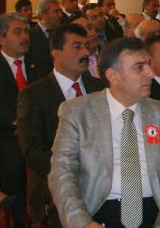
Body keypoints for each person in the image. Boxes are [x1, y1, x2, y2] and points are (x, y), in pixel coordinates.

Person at [48, 37, 160, 228]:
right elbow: (62, 173)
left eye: (149, 64)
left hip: (156, 211)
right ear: (113, 76)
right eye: (139, 67)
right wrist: (83, 223)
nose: (150, 73)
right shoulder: (77, 112)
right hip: (97, 210)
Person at [17, 24, 105, 227]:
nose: (85, 52)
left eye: (86, 46)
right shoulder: (34, 95)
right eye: (77, 47)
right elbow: (33, 152)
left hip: (102, 174)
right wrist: (75, 172)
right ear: (56, 53)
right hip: (56, 176)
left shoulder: (99, 88)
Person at [0, 13, 49, 227]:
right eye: (17, 32)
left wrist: (30, 125)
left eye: (26, 31)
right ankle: (20, 217)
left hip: (37, 131)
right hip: (4, 133)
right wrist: (16, 122)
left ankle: (46, 212)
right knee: (14, 162)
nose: (25, 36)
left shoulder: (41, 63)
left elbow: (47, 98)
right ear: (1, 38)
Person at [29, 0, 63, 69]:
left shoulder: (63, 34)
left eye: (60, 11)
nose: (60, 15)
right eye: (56, 12)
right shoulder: (29, 35)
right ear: (43, 14)